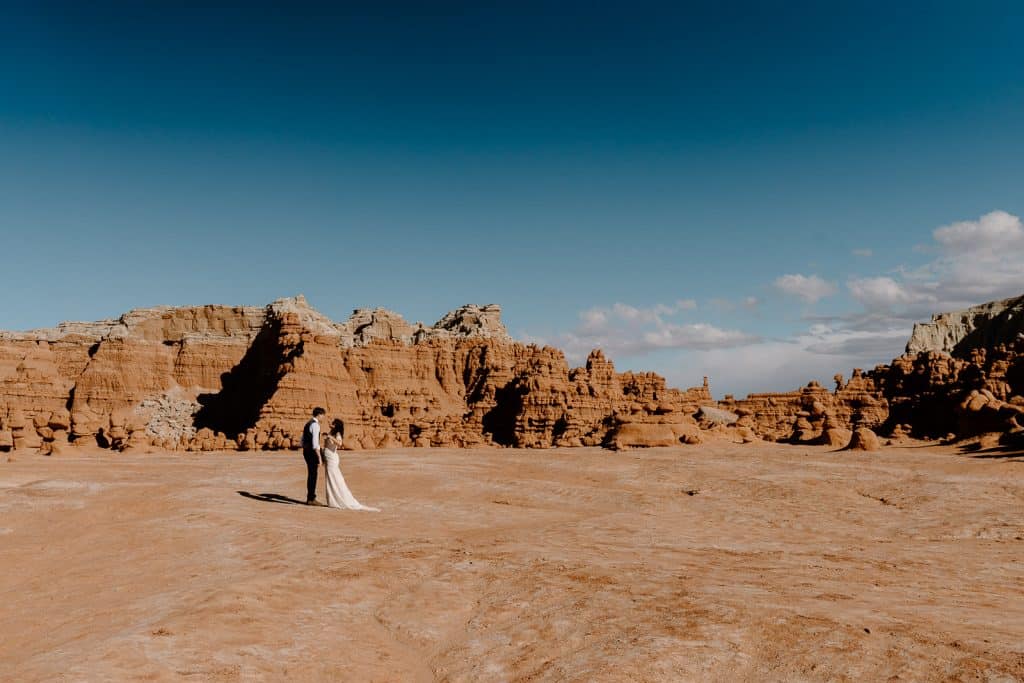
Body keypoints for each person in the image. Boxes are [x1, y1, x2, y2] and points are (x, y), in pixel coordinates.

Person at [322, 418, 379, 511]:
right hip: (328, 457)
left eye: (332, 423)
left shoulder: (337, 434)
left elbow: (340, 443)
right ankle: (333, 500)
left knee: (335, 478)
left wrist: (330, 437)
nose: (330, 423)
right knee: (330, 478)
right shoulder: (331, 432)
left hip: (332, 458)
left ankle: (339, 500)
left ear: (335, 425)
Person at [301, 407, 327, 506]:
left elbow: (302, 440)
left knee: (311, 474)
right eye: (323, 415)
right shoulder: (315, 425)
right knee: (313, 475)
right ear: (319, 415)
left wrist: (306, 448)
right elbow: (316, 444)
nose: (323, 417)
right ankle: (311, 499)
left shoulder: (308, 423)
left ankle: (310, 497)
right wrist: (319, 457)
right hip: (312, 452)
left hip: (306, 451)